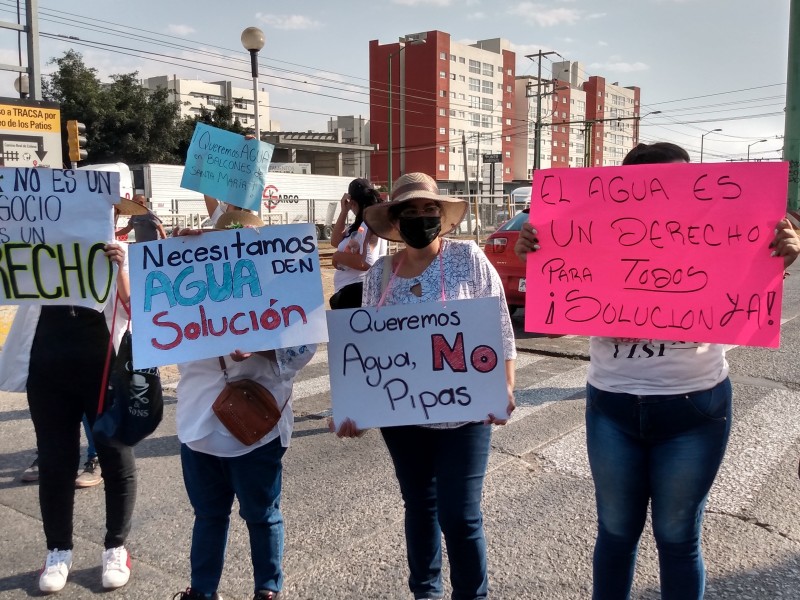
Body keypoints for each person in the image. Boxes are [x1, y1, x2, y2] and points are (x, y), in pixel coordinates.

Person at [513, 142, 800, 600]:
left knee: (677, 535)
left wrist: (780, 255)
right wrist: (540, 253)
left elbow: (744, 277)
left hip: (695, 405)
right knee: (615, 532)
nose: (678, 194)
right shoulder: (593, 227)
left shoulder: (716, 224)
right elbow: (553, 320)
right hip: (612, 405)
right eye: (668, 184)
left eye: (686, 184)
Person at [334, 172, 516, 600]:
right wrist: (357, 410)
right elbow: (370, 348)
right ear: (395, 221)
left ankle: (472, 595)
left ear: (441, 215)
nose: (420, 218)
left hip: (467, 414)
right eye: (410, 212)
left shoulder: (469, 258)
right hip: (405, 419)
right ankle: (425, 592)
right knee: (419, 508)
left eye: (428, 209)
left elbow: (501, 330)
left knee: (461, 515)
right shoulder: (379, 274)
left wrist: (503, 389)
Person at [172, 212, 317, 600]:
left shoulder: (282, 286)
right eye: (226, 241)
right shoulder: (190, 280)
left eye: (246, 241)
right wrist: (172, 253)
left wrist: (263, 346)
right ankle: (202, 591)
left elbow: (306, 347)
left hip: (258, 432)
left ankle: (267, 589)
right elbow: (154, 323)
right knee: (208, 516)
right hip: (198, 427)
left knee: (262, 515)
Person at [0, 235, 136, 593]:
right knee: (54, 460)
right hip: (47, 366)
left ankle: (116, 546)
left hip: (104, 365)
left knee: (116, 455)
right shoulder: (36, 243)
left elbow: (137, 308)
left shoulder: (120, 252)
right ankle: (58, 549)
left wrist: (122, 267)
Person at [329, 178, 387, 309]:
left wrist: (337, 256)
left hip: (355, 293)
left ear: (353, 202)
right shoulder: (361, 225)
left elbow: (367, 262)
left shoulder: (368, 224)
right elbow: (335, 241)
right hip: (352, 292)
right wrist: (344, 211)